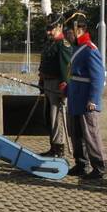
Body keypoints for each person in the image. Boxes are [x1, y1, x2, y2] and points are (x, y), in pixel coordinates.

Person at [64, 11, 107, 179]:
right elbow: (76, 75)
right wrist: (67, 89)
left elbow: (98, 78)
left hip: (86, 101)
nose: (67, 36)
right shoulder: (77, 48)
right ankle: (81, 164)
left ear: (78, 30)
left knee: (91, 134)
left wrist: (93, 100)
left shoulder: (90, 49)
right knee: (76, 135)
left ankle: (100, 166)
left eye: (69, 32)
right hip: (75, 98)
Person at [37, 15, 72, 158]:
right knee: (48, 118)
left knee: (56, 118)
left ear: (60, 27)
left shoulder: (63, 44)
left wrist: (64, 88)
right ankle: (52, 147)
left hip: (57, 85)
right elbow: (44, 63)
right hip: (47, 83)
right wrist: (41, 81)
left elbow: (65, 67)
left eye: (51, 29)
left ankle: (59, 150)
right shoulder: (49, 43)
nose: (48, 32)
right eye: (47, 29)